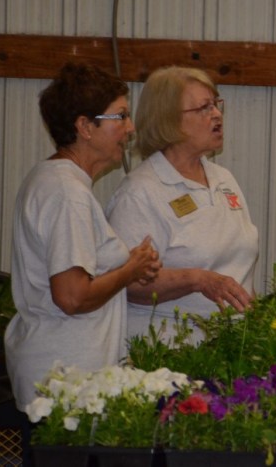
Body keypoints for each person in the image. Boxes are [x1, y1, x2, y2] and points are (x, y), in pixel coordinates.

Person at [4, 64, 162, 449]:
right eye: (120, 116)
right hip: (65, 383)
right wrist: (129, 270)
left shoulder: (56, 181)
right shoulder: (67, 194)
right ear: (85, 126)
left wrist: (126, 266)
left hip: (62, 378)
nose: (130, 128)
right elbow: (72, 296)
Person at [106, 66, 258, 343]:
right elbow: (126, 283)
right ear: (169, 121)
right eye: (204, 108)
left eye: (216, 104)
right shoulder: (140, 193)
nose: (217, 114)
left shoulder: (224, 179)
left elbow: (240, 267)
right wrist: (197, 280)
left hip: (231, 345)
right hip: (168, 350)